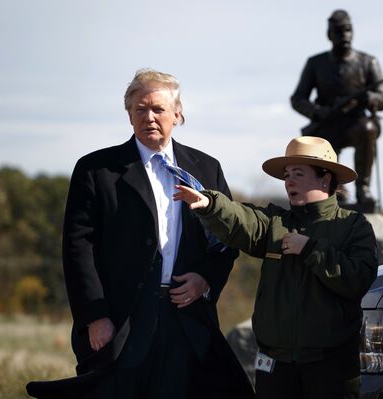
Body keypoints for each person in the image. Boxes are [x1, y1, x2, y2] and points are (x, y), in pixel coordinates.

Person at [26, 68, 253, 399]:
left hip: (186, 320)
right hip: (121, 323)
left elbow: (228, 237)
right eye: (140, 109)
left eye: (158, 109)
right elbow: (78, 249)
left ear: (178, 114)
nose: (149, 117)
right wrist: (96, 317)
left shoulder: (206, 168)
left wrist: (205, 277)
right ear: (129, 115)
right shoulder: (95, 170)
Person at [174, 136, 379, 399]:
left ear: (324, 179)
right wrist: (211, 205)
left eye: (298, 173)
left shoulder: (354, 226)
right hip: (275, 366)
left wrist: (311, 250)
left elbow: (358, 279)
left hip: (332, 368)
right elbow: (243, 220)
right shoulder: (275, 221)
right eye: (286, 175)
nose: (288, 181)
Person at [290, 9, 383, 209]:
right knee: (323, 141)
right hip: (327, 123)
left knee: (367, 129)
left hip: (356, 122)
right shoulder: (315, 63)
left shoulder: (368, 62)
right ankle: (335, 190)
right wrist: (317, 113)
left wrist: (369, 97)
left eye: (348, 30)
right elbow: (298, 98)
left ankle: (363, 189)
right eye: (338, 31)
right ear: (329, 34)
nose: (344, 35)